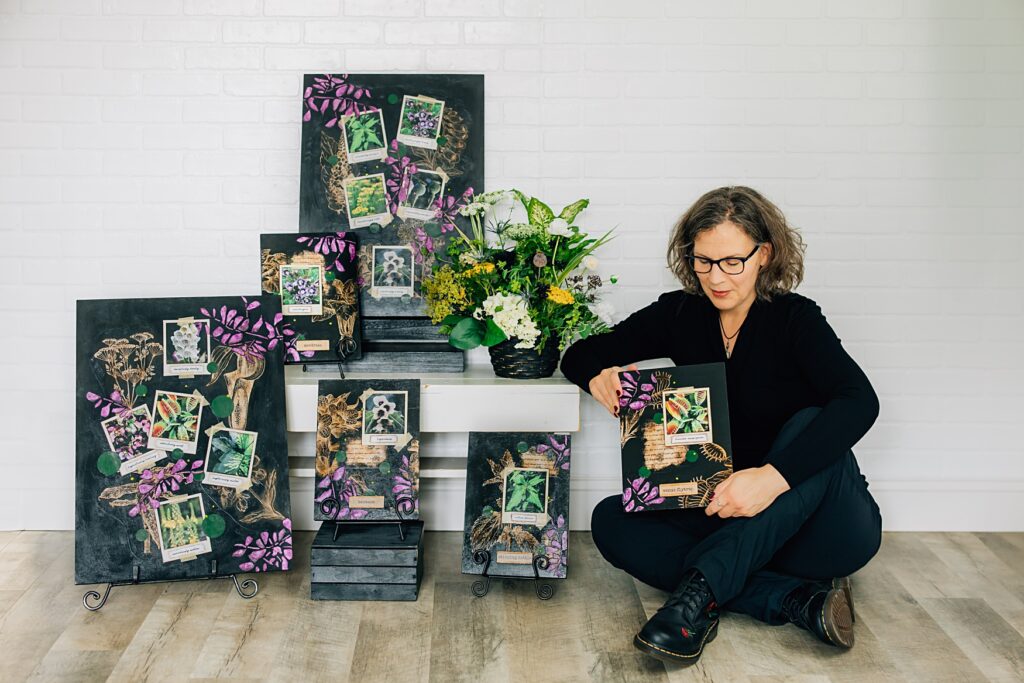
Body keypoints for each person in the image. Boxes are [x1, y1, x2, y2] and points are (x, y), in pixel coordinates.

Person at [560, 186, 882, 666]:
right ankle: (798, 600)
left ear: (764, 255)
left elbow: (861, 401)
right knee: (610, 519)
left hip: (821, 528)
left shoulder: (796, 318)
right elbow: (580, 353)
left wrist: (770, 479)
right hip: (727, 514)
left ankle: (695, 600)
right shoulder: (679, 313)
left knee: (813, 422)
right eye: (703, 261)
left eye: (733, 261)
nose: (717, 276)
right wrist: (596, 376)